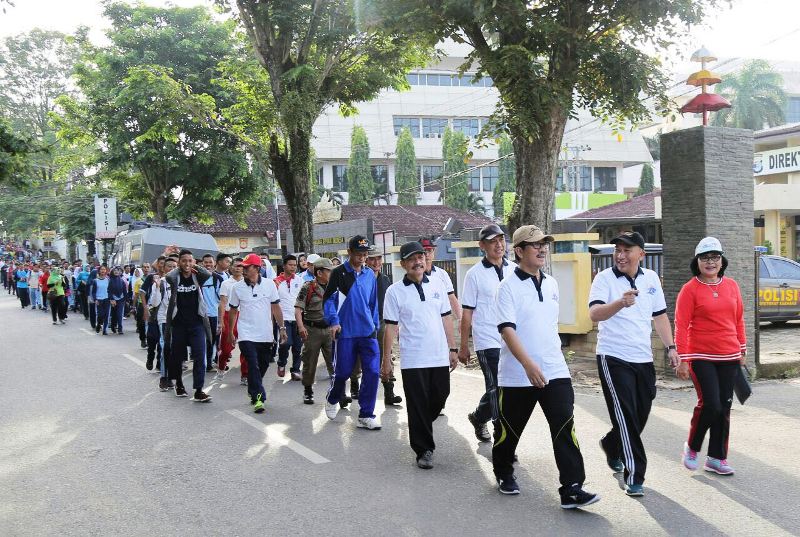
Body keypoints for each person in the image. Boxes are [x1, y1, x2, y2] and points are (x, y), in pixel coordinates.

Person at [588, 231, 679, 497]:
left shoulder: (651, 279)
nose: (620, 255)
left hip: (643, 357)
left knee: (640, 413)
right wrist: (620, 303)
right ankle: (634, 474)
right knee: (626, 416)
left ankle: (611, 443)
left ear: (641, 254)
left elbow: (659, 316)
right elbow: (594, 313)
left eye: (627, 250)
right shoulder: (604, 279)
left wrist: (671, 347)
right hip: (613, 357)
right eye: (618, 250)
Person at [381, 241, 458, 469]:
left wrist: (453, 348)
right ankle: (424, 449)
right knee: (417, 404)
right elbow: (390, 327)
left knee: (441, 395)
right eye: (412, 259)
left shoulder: (437, 284)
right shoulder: (394, 292)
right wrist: (386, 359)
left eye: (420, 257)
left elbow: (446, 317)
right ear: (403, 264)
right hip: (413, 358)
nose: (418, 262)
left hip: (438, 355)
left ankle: (420, 423)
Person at [675, 237, 746, 476]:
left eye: (715, 257)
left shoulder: (732, 286)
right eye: (705, 258)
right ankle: (692, 447)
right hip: (700, 354)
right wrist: (683, 359)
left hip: (729, 354)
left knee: (724, 406)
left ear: (722, 260)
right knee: (711, 404)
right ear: (697, 261)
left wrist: (742, 348)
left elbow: (738, 319)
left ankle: (716, 458)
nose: (710, 262)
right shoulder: (690, 289)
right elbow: (681, 325)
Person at [459, 223, 516, 442]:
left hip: (511, 339)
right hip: (487, 339)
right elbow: (467, 313)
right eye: (493, 241)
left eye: (501, 240)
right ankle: (501, 436)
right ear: (482, 245)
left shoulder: (514, 270)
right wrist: (464, 346)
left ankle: (479, 416)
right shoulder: (474, 274)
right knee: (495, 387)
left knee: (507, 388)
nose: (499, 245)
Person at [323, 235, 382, 430]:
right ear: (349, 252)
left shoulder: (370, 275)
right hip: (345, 332)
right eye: (359, 254)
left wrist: (375, 326)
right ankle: (333, 397)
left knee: (372, 372)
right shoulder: (338, 273)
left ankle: (366, 414)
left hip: (367, 332)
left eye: (365, 254)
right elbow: (329, 300)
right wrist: (334, 321)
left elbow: (373, 303)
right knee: (343, 372)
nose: (363, 258)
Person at [227, 253, 286, 413]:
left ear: (257, 268)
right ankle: (260, 398)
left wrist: (282, 328)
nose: (244, 269)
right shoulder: (236, 287)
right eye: (243, 267)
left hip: (265, 334)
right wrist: (231, 332)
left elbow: (276, 307)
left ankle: (253, 389)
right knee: (252, 364)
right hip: (246, 333)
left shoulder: (269, 284)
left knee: (263, 364)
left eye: (247, 267)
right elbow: (233, 311)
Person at [163, 249, 213, 402]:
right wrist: (180, 267)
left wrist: (194, 266)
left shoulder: (197, 277)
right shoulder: (175, 278)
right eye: (184, 260)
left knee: (199, 356)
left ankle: (199, 390)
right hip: (178, 324)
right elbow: (168, 276)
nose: (187, 263)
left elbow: (208, 274)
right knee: (177, 356)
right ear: (179, 262)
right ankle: (179, 384)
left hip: (197, 323)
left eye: (190, 261)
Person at [365, 247, 402, 406]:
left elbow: (392, 303)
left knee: (386, 355)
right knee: (360, 359)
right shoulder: (359, 278)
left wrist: (396, 323)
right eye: (372, 259)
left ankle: (389, 391)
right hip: (363, 323)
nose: (376, 262)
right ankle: (354, 386)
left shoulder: (385, 279)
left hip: (382, 321)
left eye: (379, 258)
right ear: (366, 260)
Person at [296, 257, 334, 404]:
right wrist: (301, 327)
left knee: (334, 361)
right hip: (312, 330)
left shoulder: (334, 287)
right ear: (319, 273)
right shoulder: (308, 287)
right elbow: (298, 309)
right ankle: (308, 390)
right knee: (310, 361)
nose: (331, 273)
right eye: (328, 271)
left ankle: (338, 391)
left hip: (330, 330)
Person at [218, 257, 248, 384]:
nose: (238, 268)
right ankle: (221, 367)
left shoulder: (247, 282)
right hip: (229, 316)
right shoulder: (226, 283)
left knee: (246, 347)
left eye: (240, 266)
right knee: (226, 349)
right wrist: (221, 321)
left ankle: (245, 375)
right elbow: (223, 302)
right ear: (231, 267)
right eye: (235, 266)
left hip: (244, 316)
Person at [274, 254, 304, 380]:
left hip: (298, 317)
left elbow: (303, 298)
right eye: (290, 265)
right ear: (284, 266)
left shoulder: (299, 280)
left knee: (298, 346)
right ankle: (281, 363)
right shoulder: (276, 282)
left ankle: (295, 370)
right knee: (286, 343)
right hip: (283, 318)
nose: (293, 267)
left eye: (295, 265)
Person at [420, 237, 462, 321]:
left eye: (429, 250)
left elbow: (451, 298)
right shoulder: (414, 275)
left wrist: (460, 319)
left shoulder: (442, 274)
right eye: (423, 251)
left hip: (440, 321)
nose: (427, 254)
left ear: (434, 252)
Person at [200, 253, 225, 373]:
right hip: (200, 315)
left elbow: (222, 300)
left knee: (213, 340)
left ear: (214, 263)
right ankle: (203, 363)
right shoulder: (197, 277)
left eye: (210, 262)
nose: (208, 264)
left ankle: (210, 363)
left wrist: (221, 320)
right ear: (202, 263)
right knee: (202, 340)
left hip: (214, 314)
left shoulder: (218, 279)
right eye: (206, 262)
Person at [90, 265, 111, 335]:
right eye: (101, 269)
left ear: (106, 271)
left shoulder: (108, 279)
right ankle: (98, 324)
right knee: (100, 315)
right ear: (99, 271)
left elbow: (110, 290)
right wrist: (95, 299)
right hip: (99, 300)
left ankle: (105, 330)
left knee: (106, 315)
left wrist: (111, 298)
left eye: (104, 269)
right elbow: (93, 292)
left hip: (107, 299)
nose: (103, 271)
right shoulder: (95, 281)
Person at [108, 266, 127, 335]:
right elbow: (109, 291)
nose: (116, 271)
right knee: (114, 314)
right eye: (115, 270)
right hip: (113, 300)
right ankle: (113, 326)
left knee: (119, 314)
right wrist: (111, 299)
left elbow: (124, 291)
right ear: (112, 272)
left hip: (121, 299)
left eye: (117, 270)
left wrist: (125, 299)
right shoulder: (110, 280)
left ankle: (120, 329)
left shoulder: (121, 280)